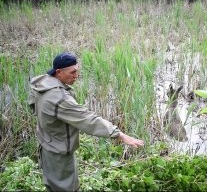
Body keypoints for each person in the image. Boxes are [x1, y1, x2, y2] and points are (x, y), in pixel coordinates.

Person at [28, 52, 144, 191]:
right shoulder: (58, 97)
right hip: (59, 154)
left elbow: (33, 106)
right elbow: (88, 120)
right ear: (58, 72)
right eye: (73, 72)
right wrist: (120, 135)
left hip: (47, 145)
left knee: (53, 187)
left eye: (77, 70)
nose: (76, 76)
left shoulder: (42, 84)